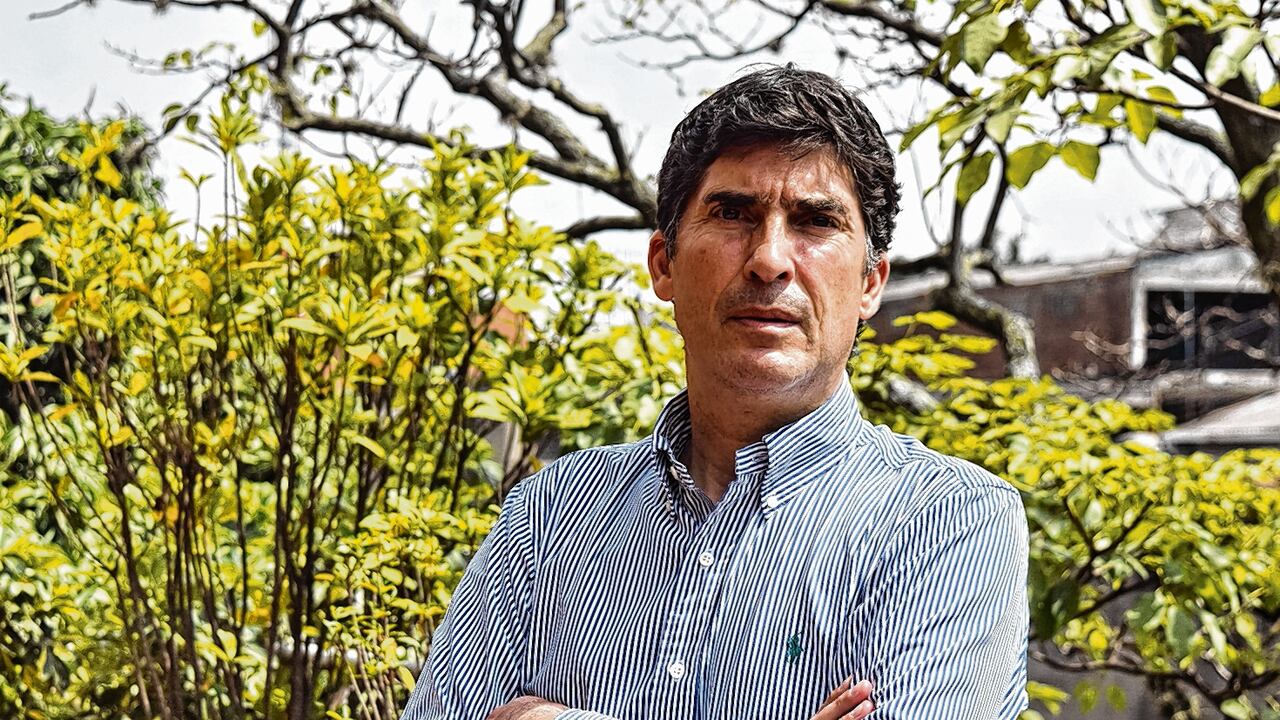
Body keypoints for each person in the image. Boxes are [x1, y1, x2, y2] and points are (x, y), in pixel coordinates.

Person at [400, 65, 1029, 720]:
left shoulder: (949, 523)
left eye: (816, 221)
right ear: (663, 265)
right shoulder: (551, 516)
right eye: (733, 214)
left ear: (871, 283)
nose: (770, 260)